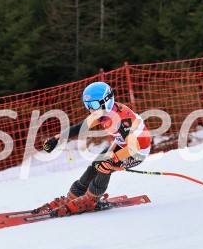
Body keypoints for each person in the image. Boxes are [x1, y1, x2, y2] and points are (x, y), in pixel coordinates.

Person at [40, 81, 151, 215]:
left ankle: (92, 199)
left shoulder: (122, 120)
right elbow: (79, 128)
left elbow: (134, 147)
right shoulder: (102, 113)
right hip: (122, 144)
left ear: (106, 101)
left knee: (105, 165)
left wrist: (113, 158)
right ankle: (75, 194)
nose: (91, 109)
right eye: (87, 105)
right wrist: (56, 139)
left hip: (138, 151)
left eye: (93, 105)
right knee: (95, 165)